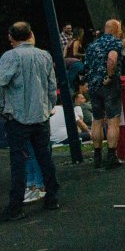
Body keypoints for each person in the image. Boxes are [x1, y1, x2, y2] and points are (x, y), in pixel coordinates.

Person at [0, 22, 61, 221]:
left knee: (18, 161)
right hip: (41, 114)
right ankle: (52, 196)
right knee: (45, 157)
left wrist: (2, 108)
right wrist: (49, 106)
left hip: (17, 115)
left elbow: (1, 82)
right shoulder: (44, 55)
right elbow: (51, 85)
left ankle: (16, 205)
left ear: (11, 37)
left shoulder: (10, 57)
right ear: (30, 34)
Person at [83, 18, 124, 170]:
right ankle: (111, 156)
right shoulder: (114, 42)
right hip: (108, 86)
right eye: (119, 29)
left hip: (94, 86)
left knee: (97, 120)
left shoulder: (92, 45)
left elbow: (86, 66)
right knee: (113, 120)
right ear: (115, 29)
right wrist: (110, 76)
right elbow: (112, 59)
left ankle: (97, 156)